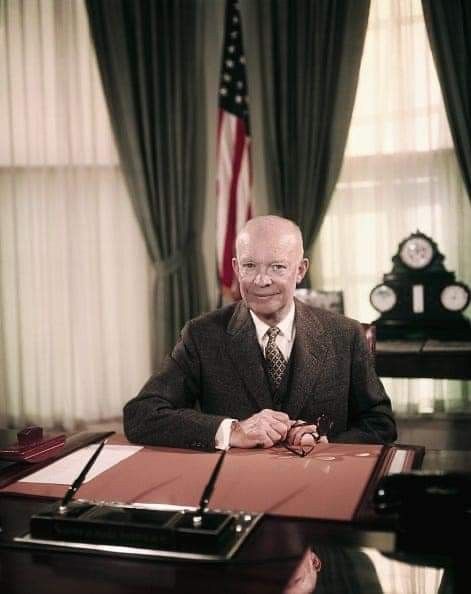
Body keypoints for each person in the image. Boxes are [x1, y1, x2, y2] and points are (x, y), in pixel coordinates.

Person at [123, 215, 396, 450]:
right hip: (235, 491)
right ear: (235, 268)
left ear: (300, 270)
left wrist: (326, 443)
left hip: (322, 483)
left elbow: (380, 423)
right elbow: (141, 415)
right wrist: (233, 431)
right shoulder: (202, 335)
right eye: (250, 266)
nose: (261, 280)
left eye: (277, 267)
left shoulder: (345, 334)